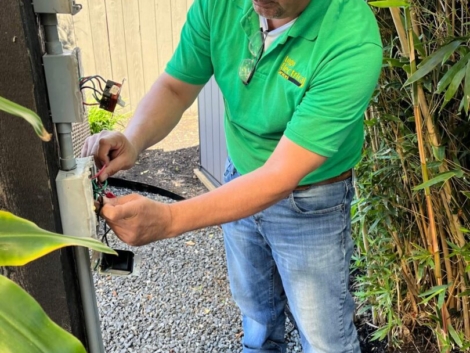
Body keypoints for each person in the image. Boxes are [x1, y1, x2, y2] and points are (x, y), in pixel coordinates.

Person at [82, 0, 382, 351]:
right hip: (238, 175)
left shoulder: (350, 40)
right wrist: (133, 140)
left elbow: (279, 176)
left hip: (312, 199)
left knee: (324, 338)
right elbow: (176, 87)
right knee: (255, 313)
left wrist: (169, 219)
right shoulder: (220, 4)